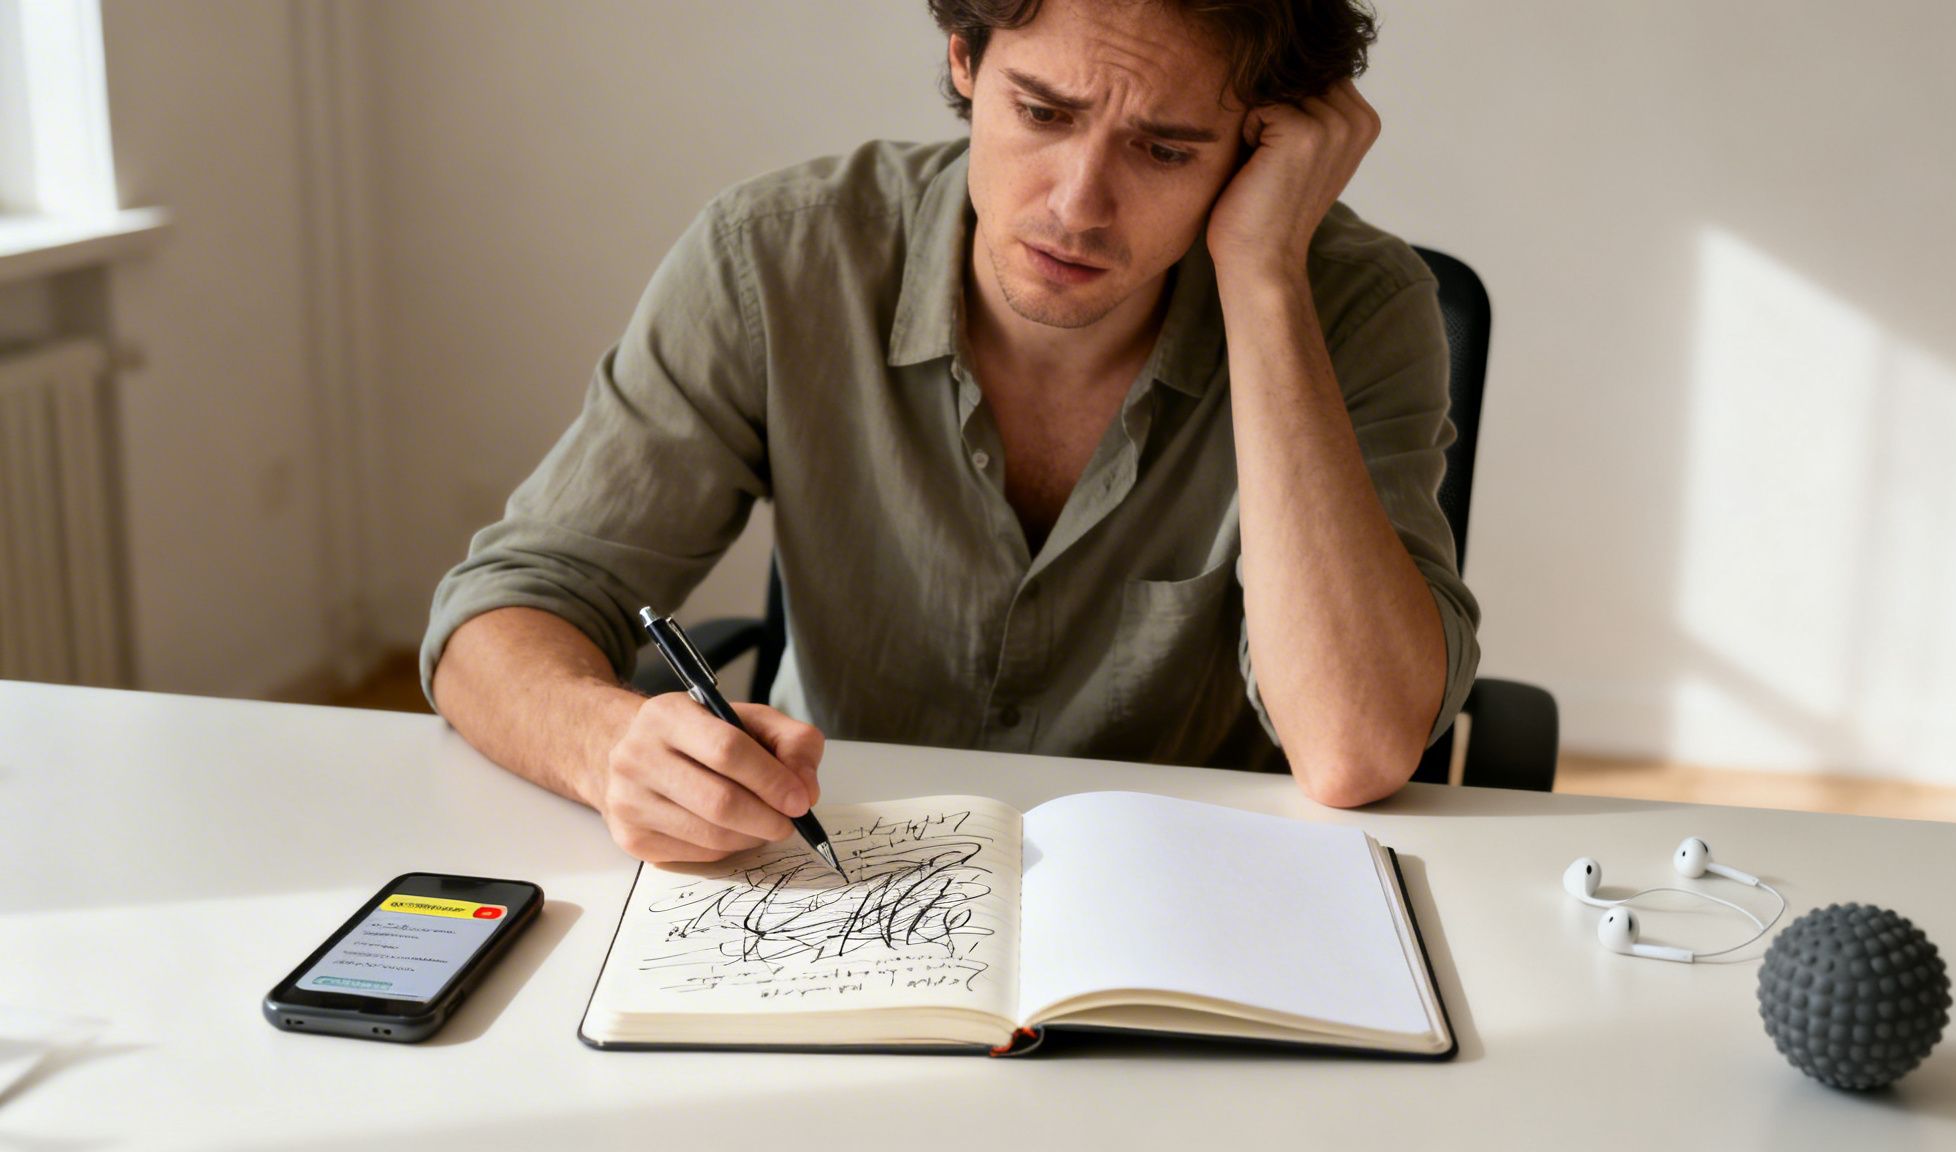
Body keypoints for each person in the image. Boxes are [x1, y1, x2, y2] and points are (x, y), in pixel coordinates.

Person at [423, 0, 1478, 864]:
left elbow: (1352, 749)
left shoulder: (1352, 308)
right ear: (964, 59)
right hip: (834, 876)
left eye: (1164, 149)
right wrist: (608, 743)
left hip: (1181, 903)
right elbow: (502, 611)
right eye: (1044, 112)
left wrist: (1263, 278)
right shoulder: (775, 261)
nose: (1078, 205)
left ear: (1259, 149)